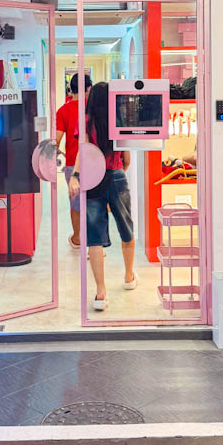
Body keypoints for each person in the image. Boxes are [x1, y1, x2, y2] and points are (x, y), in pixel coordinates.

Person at [68, 81, 137, 310]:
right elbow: (126, 160)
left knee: (95, 236)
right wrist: (115, 173)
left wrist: (76, 175)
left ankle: (100, 292)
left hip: (93, 179)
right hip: (116, 176)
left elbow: (83, 152)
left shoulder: (85, 122)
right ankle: (128, 277)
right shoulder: (120, 121)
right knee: (126, 227)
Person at [56, 73, 92, 249]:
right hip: (95, 162)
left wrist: (60, 152)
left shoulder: (63, 110)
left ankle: (77, 238)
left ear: (71, 89)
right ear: (88, 88)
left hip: (71, 161)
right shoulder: (94, 108)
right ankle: (94, 240)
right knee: (94, 201)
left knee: (75, 200)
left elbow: (55, 140)